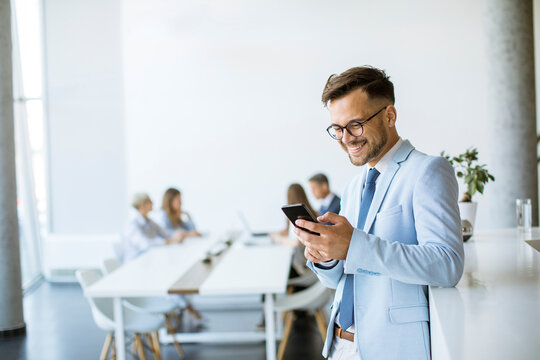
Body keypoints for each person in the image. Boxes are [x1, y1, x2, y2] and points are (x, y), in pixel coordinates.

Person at [293, 66, 464, 360]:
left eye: (355, 124)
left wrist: (354, 245)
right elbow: (345, 278)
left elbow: (447, 264)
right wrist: (327, 257)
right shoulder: (352, 187)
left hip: (391, 348)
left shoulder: (428, 171)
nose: (346, 138)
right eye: (337, 129)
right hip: (338, 344)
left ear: (389, 115)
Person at [122, 193, 185, 262]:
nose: (152, 203)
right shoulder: (132, 225)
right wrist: (170, 241)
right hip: (135, 262)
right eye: (149, 202)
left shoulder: (149, 221)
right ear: (141, 206)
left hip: (148, 260)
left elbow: (165, 232)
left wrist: (179, 234)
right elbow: (145, 244)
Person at [272, 183, 318, 276]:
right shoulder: (308, 213)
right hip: (298, 259)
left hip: (301, 265)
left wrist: (279, 239)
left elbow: (297, 243)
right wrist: (278, 234)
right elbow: (290, 231)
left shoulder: (300, 218)